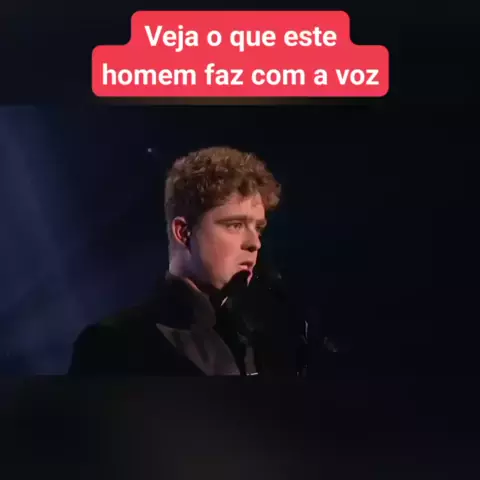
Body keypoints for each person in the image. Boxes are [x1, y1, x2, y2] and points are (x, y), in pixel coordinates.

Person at [68, 146, 307, 376]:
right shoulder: (112, 344)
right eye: (235, 225)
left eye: (258, 228)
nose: (255, 243)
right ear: (183, 232)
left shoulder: (261, 341)